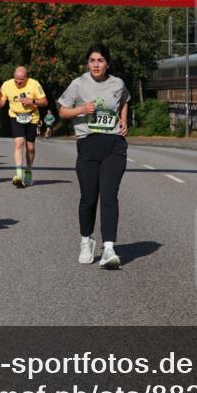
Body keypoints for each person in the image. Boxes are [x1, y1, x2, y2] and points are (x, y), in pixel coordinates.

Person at [58, 45, 130, 268]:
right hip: (88, 144)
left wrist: (124, 119)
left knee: (109, 196)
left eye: (100, 60)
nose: (96, 64)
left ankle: (109, 248)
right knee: (89, 198)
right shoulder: (78, 83)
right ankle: (86, 241)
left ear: (108, 63)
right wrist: (81, 110)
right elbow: (62, 110)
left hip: (114, 145)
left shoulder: (117, 83)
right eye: (92, 60)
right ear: (87, 63)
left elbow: (125, 101)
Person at [0, 66, 47, 188]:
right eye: (16, 79)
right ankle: (18, 174)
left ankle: (28, 171)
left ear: (27, 78)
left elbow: (44, 101)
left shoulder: (34, 84)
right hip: (15, 116)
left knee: (30, 147)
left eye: (21, 80)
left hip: (31, 116)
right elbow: (0, 105)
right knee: (19, 143)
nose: (18, 82)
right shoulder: (7, 85)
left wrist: (32, 101)